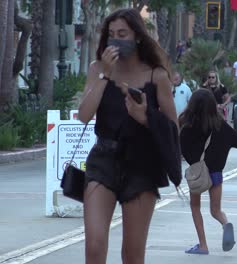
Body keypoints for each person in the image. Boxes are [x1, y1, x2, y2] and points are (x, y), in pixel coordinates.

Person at [77, 8, 180, 264]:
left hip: (141, 164)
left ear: (136, 37)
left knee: (132, 254)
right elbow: (84, 114)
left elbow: (173, 127)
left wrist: (145, 117)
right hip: (103, 160)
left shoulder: (156, 75)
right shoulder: (97, 69)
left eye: (122, 33)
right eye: (111, 34)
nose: (115, 39)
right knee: (94, 245)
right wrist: (105, 75)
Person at [179, 88, 237, 255]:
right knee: (215, 210)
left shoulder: (187, 126)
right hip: (216, 174)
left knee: (195, 206)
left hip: (198, 174)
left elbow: (182, 148)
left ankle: (203, 245)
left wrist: (194, 163)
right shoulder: (221, 126)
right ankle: (225, 223)